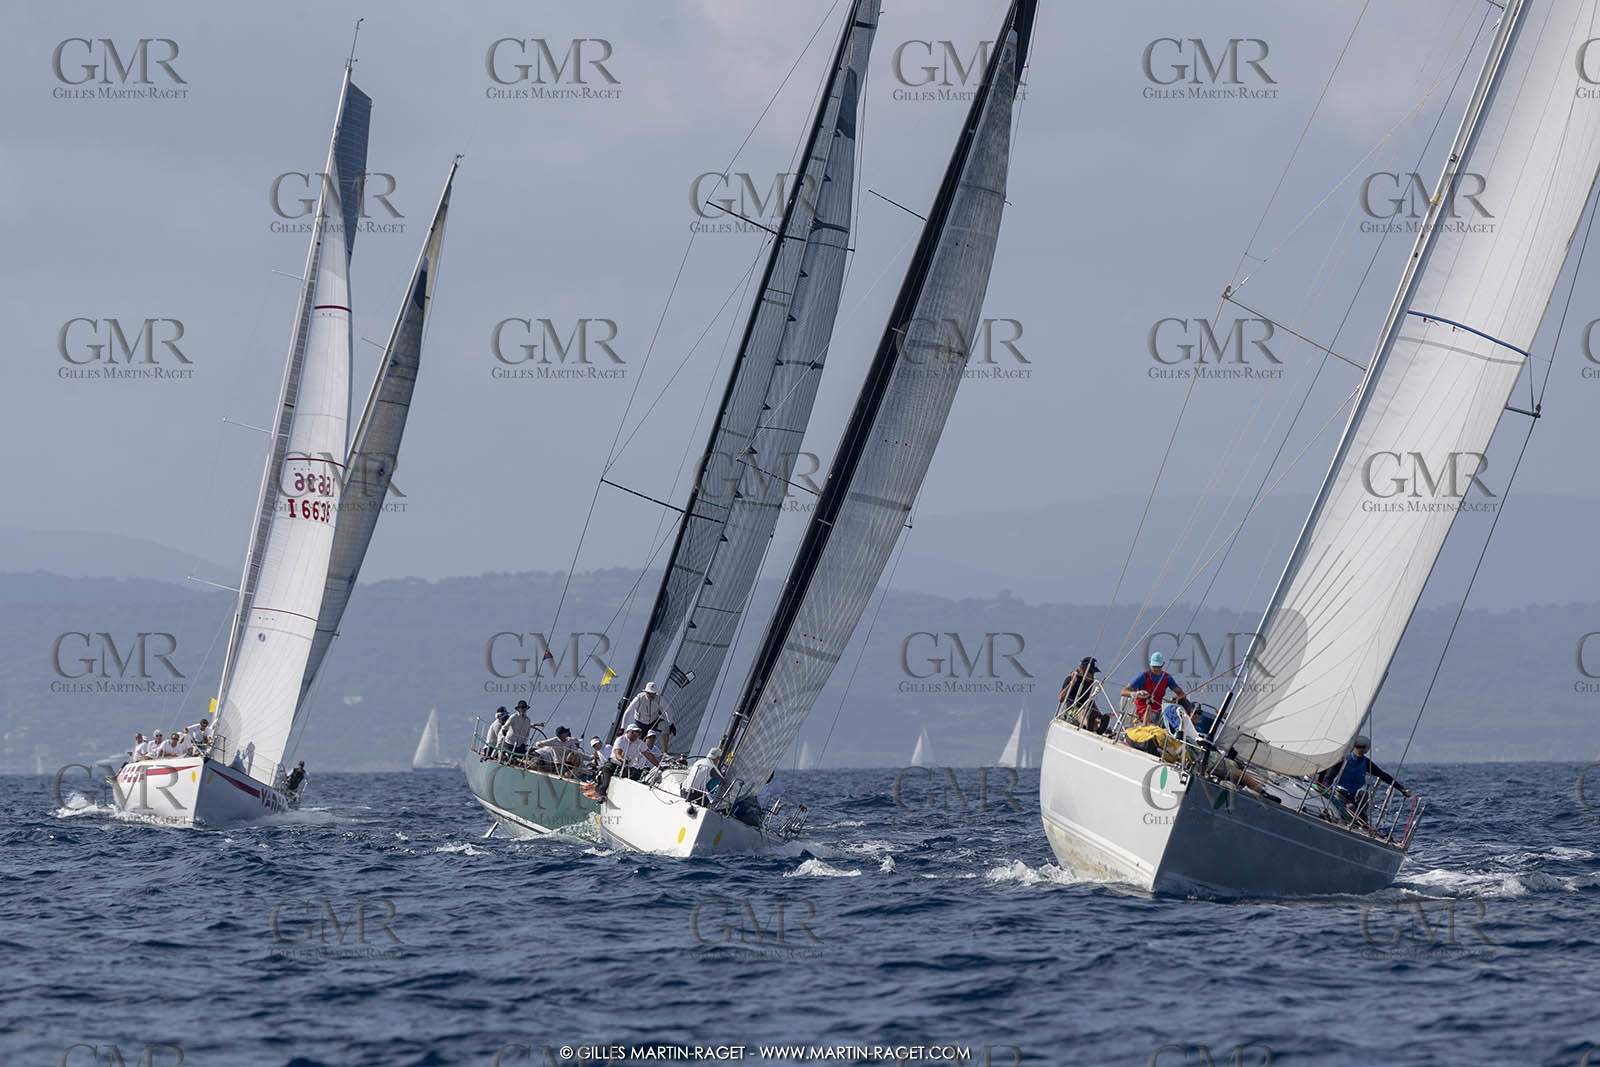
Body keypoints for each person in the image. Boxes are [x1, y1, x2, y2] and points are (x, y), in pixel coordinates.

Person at [1318, 736, 1409, 821]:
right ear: (1353, 747)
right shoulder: (1344, 760)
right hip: (1339, 793)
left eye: (1363, 747)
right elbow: (1328, 777)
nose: (1360, 749)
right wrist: (1328, 794)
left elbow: (1383, 775)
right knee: (1349, 806)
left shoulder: (1366, 762)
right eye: (1358, 746)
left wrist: (1401, 789)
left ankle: (1362, 822)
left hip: (1355, 795)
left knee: (1363, 795)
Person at [1121, 652, 1191, 725]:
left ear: (1162, 665)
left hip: (1158, 710)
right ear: (1150, 665)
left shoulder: (1166, 677)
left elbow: (1180, 693)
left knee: (1182, 707)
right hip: (1143, 709)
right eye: (1154, 666)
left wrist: (1175, 699)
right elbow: (1123, 692)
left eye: (1159, 666)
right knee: (1154, 717)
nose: (1157, 669)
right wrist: (1136, 694)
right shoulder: (1143, 676)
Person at [622, 682, 674, 753]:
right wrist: (622, 728)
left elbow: (668, 710)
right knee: (636, 741)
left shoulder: (659, 699)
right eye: (649, 693)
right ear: (645, 692)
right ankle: (628, 754)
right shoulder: (639, 698)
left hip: (654, 722)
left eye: (653, 693)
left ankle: (665, 753)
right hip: (640, 723)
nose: (651, 695)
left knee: (665, 726)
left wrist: (671, 724)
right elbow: (627, 712)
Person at [1060, 657, 1107, 733]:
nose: (1092, 675)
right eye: (1090, 672)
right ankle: (1088, 724)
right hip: (1071, 711)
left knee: (1095, 715)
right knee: (1081, 712)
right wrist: (1072, 683)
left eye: (1093, 673)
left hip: (1086, 709)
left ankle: (1100, 727)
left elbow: (1089, 699)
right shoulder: (1070, 679)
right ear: (1082, 668)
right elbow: (1060, 698)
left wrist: (1099, 714)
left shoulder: (1090, 682)